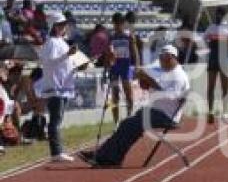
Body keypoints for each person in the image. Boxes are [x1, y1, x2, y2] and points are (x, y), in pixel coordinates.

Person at [80, 45, 190, 167]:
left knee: (129, 125)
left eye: (165, 58)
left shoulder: (179, 76)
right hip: (156, 112)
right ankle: (106, 156)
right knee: (128, 125)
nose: (162, 61)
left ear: (173, 58)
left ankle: (106, 157)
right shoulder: (167, 73)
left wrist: (149, 79)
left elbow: (169, 96)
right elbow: (155, 89)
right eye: (161, 58)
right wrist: (145, 82)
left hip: (166, 116)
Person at [36, 13, 77, 163]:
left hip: (63, 85)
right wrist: (67, 55)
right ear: (54, 26)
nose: (64, 27)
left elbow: (65, 64)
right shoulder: (51, 42)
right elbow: (49, 62)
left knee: (57, 119)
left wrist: (77, 66)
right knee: (55, 119)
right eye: (60, 24)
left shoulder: (61, 42)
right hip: (55, 85)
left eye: (64, 24)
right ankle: (56, 152)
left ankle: (58, 150)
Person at [107, 11, 139, 125]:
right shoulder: (111, 36)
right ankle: (115, 122)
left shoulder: (129, 35)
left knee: (128, 93)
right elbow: (108, 52)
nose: (117, 26)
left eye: (119, 23)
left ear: (123, 23)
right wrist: (109, 61)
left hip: (125, 65)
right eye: (115, 24)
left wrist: (137, 66)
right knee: (115, 95)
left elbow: (134, 51)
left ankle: (129, 117)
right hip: (115, 66)